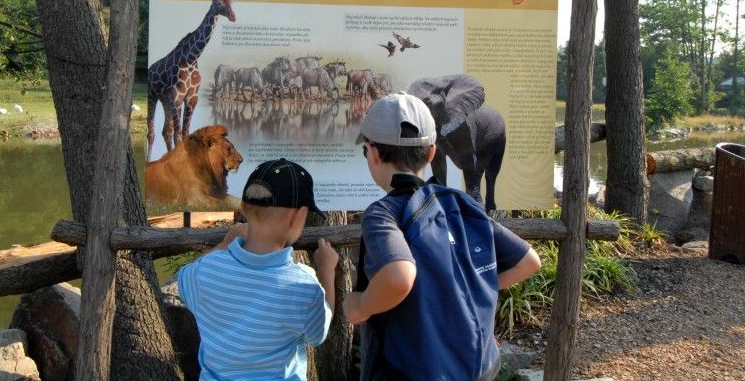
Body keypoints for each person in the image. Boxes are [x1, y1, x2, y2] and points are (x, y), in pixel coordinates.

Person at [343, 92, 542, 381]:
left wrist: (360, 306)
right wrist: (465, 291)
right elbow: (528, 261)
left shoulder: (383, 214)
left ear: (372, 153)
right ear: (432, 153)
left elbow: (399, 277)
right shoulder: (460, 203)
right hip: (477, 368)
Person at [177, 158, 339, 381]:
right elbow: (317, 334)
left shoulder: (205, 271)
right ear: (297, 216)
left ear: (243, 207)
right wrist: (326, 271)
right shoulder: (305, 285)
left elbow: (184, 278)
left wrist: (225, 244)